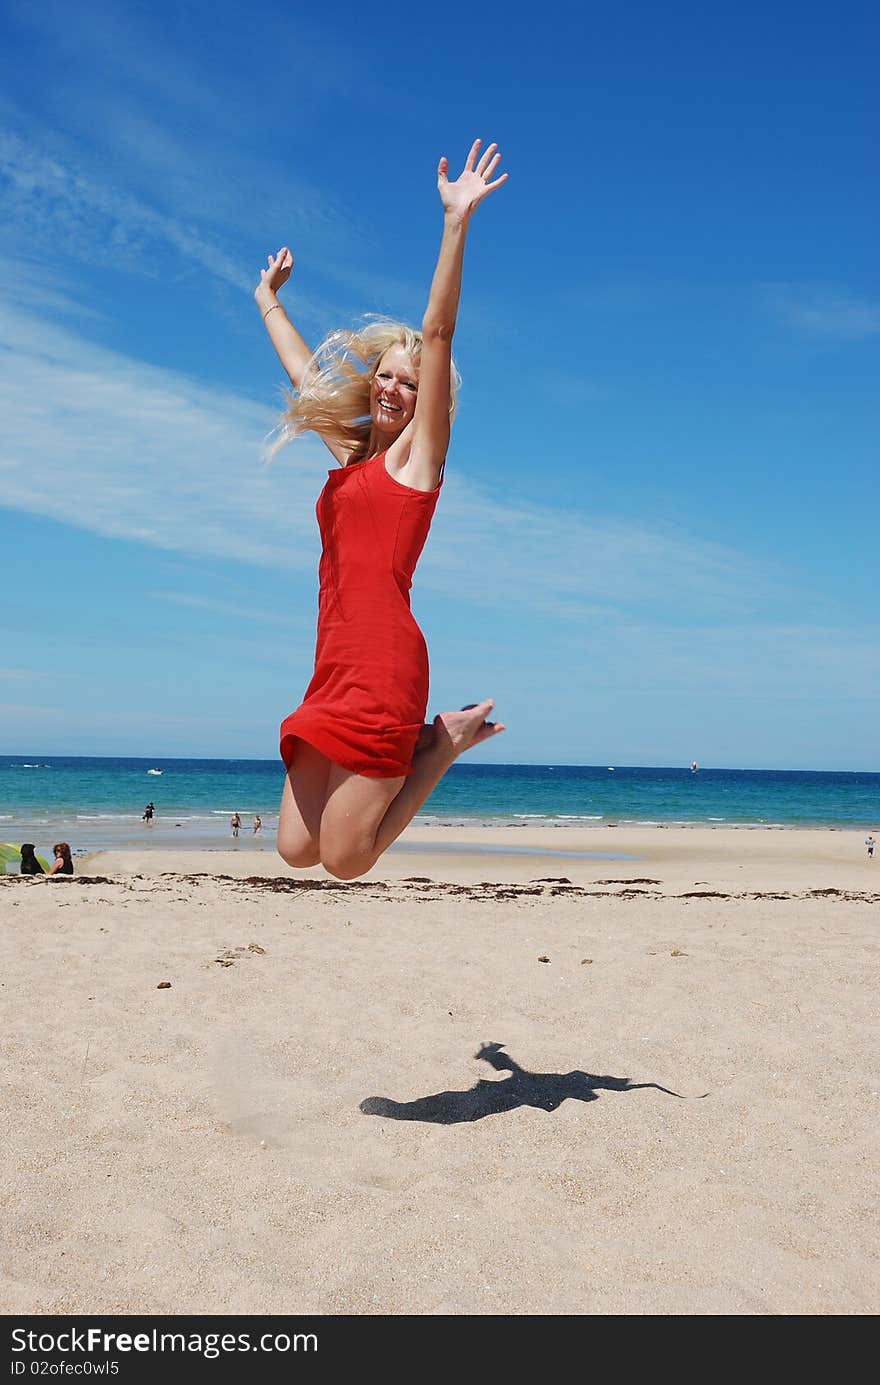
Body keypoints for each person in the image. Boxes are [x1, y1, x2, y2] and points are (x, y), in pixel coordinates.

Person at [256, 140, 507, 881]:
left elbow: (437, 332)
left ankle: (437, 749)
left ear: (424, 396)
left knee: (345, 860)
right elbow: (305, 380)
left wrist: (455, 221)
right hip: (332, 660)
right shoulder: (353, 459)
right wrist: (268, 299)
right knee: (294, 849)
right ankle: (429, 747)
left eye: (408, 381)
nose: (393, 388)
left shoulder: (419, 462)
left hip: (385, 664)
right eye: (385, 377)